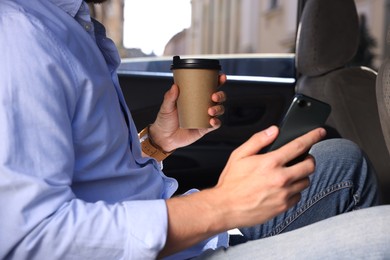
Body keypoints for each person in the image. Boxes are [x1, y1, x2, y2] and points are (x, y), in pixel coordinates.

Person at [0, 0, 389, 259]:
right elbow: (30, 237)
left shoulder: (72, 25)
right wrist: (222, 205)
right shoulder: (19, 35)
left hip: (186, 236)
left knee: (340, 163)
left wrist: (155, 143)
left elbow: (92, 181)